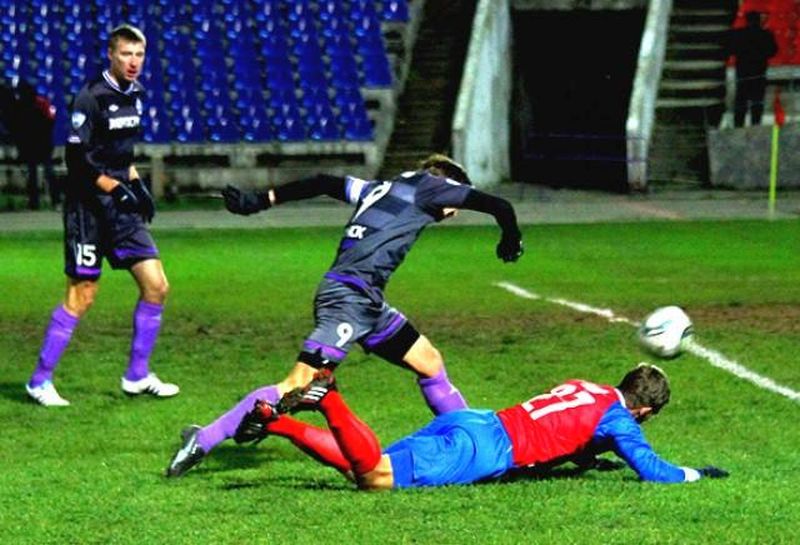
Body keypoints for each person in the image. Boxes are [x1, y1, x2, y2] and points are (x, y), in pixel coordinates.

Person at [166, 154, 524, 476]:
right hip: (348, 298)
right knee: (299, 383)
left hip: (368, 302)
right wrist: (510, 237)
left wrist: (259, 200)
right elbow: (499, 205)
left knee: (429, 362)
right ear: (447, 184)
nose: (454, 211)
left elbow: (322, 182)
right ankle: (203, 438)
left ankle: (469, 440)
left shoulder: (378, 188)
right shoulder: (431, 187)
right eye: (455, 201)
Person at [224, 363, 729, 489]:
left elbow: (567, 428)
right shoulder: (621, 420)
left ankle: (274, 425)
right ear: (643, 412)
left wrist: (583, 458)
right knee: (374, 476)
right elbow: (652, 469)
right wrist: (696, 474)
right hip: (486, 451)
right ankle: (330, 399)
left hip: (475, 420)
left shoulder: (588, 387)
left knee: (365, 469)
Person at [25, 24, 178, 406]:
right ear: (111, 54)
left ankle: (137, 376)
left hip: (120, 209)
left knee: (157, 285)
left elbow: (121, 157)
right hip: (87, 211)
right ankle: (40, 381)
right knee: (83, 294)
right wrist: (116, 189)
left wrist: (137, 187)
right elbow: (76, 161)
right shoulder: (89, 98)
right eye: (126, 54)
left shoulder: (136, 95)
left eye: (139, 55)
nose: (133, 62)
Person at [726, 11, 778, 127]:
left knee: (741, 100)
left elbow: (730, 49)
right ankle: (756, 124)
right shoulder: (766, 34)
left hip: (743, 72)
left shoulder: (738, 34)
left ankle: (738, 124)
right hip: (759, 71)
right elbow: (773, 51)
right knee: (757, 101)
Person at [12, 81, 58, 210]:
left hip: (41, 144)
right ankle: (35, 202)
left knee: (47, 172)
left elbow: (50, 120)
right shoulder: (21, 106)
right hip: (35, 144)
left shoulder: (40, 103)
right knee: (36, 173)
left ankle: (53, 200)